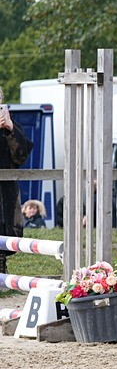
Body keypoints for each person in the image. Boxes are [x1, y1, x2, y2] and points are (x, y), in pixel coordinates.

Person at [0, 102, 32, 273]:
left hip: (5, 192)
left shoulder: (12, 128)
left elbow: (21, 157)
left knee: (5, 235)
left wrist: (10, 127)